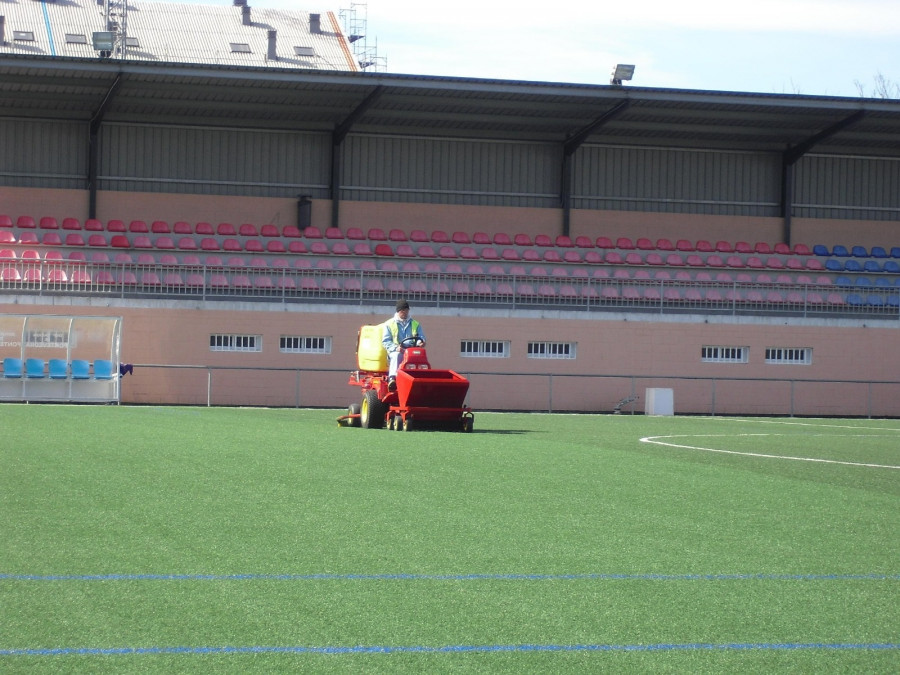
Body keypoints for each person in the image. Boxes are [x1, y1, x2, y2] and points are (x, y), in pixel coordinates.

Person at [382, 299, 426, 391]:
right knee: (396, 355)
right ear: (399, 311)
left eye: (407, 310)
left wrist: (421, 342)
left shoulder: (415, 324)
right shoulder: (389, 324)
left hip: (411, 351)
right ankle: (392, 379)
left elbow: (421, 337)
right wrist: (396, 348)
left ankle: (422, 379)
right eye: (403, 311)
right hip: (397, 351)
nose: (405, 313)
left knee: (422, 356)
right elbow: (386, 341)